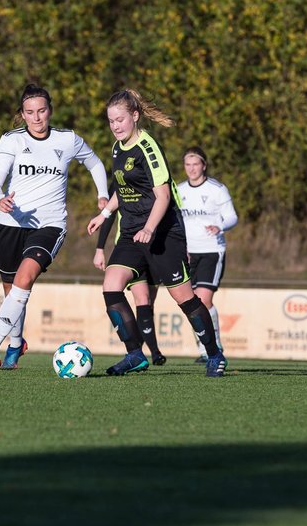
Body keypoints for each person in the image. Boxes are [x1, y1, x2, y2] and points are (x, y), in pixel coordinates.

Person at [86, 88, 227, 377]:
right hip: (131, 233)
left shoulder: (148, 148)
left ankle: (214, 354)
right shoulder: (117, 147)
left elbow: (163, 196)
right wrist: (104, 214)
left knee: (185, 299)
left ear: (135, 116)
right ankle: (135, 354)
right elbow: (123, 192)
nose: (115, 126)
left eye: (120, 119)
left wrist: (150, 229)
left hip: (163, 233)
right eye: (111, 121)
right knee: (111, 286)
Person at [0, 84, 109, 369]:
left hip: (50, 225)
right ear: (23, 115)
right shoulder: (10, 141)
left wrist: (101, 193)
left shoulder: (68, 140)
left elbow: (95, 163)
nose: (37, 117)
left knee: (24, 279)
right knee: (13, 293)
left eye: (41, 111)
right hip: (11, 223)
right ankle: (16, 343)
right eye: (30, 112)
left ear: (50, 110)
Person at [175, 146, 238, 361]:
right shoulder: (179, 189)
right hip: (188, 253)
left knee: (203, 299)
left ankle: (214, 347)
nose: (191, 169)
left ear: (204, 165)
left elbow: (232, 217)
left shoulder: (217, 189)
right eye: (188, 164)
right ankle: (205, 349)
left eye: (195, 164)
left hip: (212, 250)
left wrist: (219, 225)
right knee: (191, 302)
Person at [94, 182, 167, 365]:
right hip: (130, 247)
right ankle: (145, 352)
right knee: (140, 297)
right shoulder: (120, 180)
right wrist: (100, 248)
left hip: (155, 247)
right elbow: (110, 215)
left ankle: (141, 352)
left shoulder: (158, 180)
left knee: (147, 302)